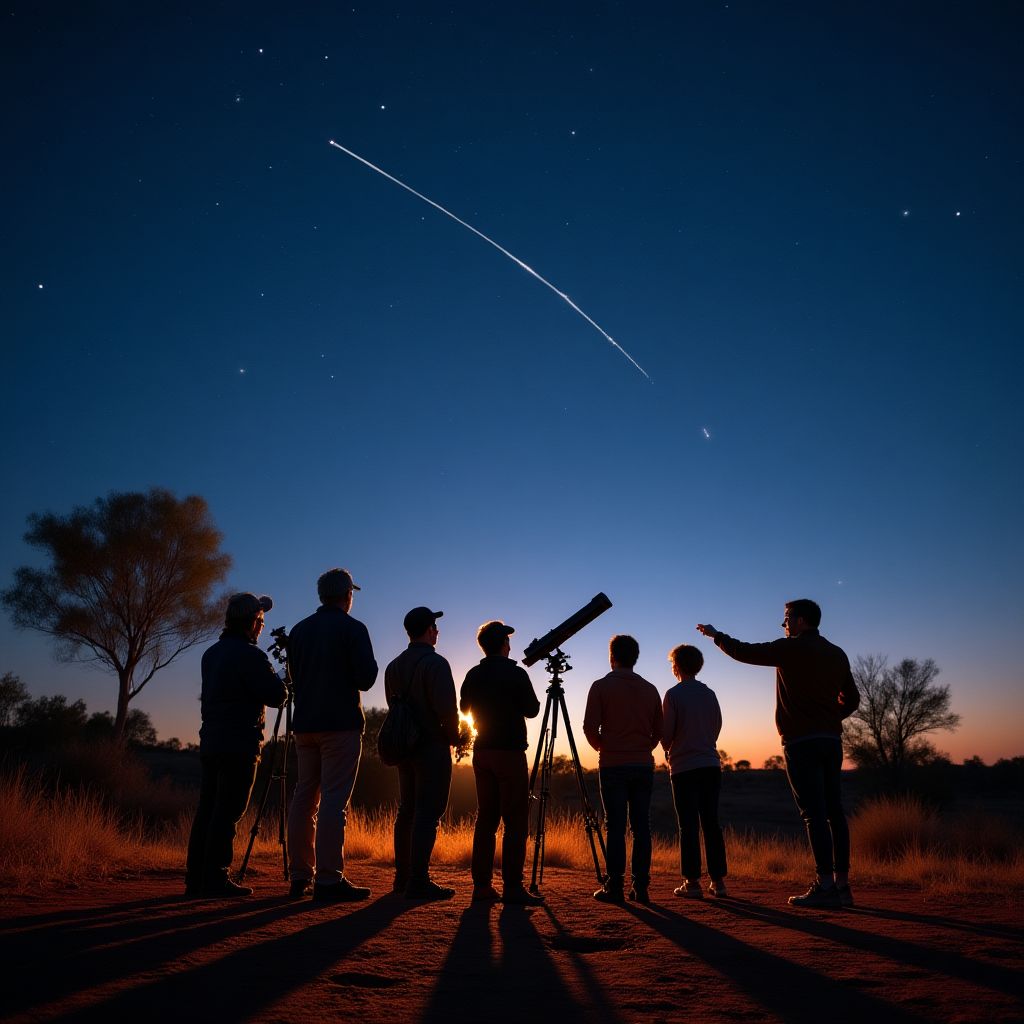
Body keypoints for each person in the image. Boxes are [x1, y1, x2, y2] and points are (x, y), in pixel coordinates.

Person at [697, 598, 860, 908]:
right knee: (834, 811)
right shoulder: (836, 653)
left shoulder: (790, 648)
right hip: (830, 740)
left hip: (801, 741)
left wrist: (716, 636)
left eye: (786, 619)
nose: (783, 625)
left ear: (799, 621)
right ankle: (842, 886)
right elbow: (852, 699)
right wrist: (830, 717)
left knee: (813, 813)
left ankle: (824, 885)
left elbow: (746, 651)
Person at [286, 568, 378, 903]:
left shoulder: (299, 630)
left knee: (303, 797)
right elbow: (366, 678)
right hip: (340, 724)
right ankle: (328, 879)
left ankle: (299, 875)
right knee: (333, 802)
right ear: (346, 595)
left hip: (305, 724)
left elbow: (294, 677)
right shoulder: (353, 629)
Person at [186, 593, 287, 898]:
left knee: (207, 809)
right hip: (240, 742)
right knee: (228, 811)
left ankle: (196, 879)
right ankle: (216, 878)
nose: (262, 627)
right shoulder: (251, 656)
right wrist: (285, 678)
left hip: (212, 740)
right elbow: (276, 696)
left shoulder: (212, 654)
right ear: (252, 622)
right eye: (260, 621)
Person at [459, 620, 543, 905]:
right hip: (509, 752)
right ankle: (513, 887)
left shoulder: (473, 674)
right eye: (508, 640)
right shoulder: (516, 673)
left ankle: (481, 886)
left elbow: (464, 709)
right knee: (515, 820)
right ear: (505, 644)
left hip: (482, 752)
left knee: (486, 819)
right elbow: (532, 710)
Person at [385, 606, 460, 900]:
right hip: (431, 746)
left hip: (404, 747)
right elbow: (447, 711)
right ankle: (419, 880)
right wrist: (454, 739)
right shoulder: (436, 663)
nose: (438, 632)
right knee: (429, 812)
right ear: (429, 630)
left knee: (407, 811)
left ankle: (402, 879)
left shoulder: (393, 666)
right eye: (435, 627)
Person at [583, 634, 663, 905]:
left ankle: (614, 885)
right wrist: (643, 748)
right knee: (642, 827)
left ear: (612, 656)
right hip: (642, 764)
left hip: (613, 764)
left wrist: (605, 747)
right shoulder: (650, 689)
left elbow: (589, 729)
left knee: (615, 826)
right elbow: (658, 731)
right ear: (635, 657)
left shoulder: (600, 686)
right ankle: (641, 887)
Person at [662, 644, 728, 899]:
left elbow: (666, 735)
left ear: (676, 666)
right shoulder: (709, 693)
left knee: (688, 825)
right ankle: (718, 883)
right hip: (710, 765)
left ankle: (692, 883)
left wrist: (668, 747)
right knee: (711, 823)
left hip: (684, 767)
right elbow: (717, 727)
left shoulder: (673, 694)